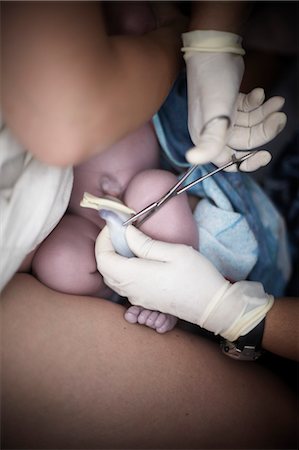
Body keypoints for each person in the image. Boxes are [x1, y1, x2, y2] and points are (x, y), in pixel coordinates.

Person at [1, 2, 297, 449]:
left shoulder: (131, 25)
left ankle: (169, 296)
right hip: (82, 224)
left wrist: (222, 307)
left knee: (148, 192)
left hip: (166, 216)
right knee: (60, 262)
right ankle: (136, 293)